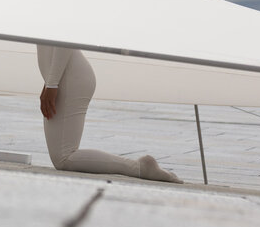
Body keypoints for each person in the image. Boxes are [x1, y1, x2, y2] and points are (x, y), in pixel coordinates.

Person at [37, 46, 182, 182]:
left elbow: (64, 38)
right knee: (62, 157)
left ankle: (141, 167)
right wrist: (49, 82)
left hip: (69, 80)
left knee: (64, 158)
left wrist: (52, 83)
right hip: (64, 77)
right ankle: (140, 167)